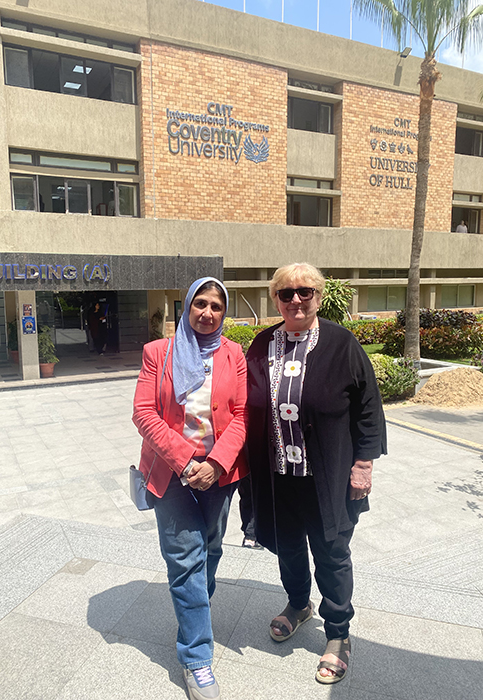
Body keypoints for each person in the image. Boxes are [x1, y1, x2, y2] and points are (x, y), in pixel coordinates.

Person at [246, 262, 386, 685]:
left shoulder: (342, 344)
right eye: (286, 293)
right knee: (288, 547)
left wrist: (363, 464)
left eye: (304, 292)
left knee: (331, 553)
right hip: (277, 475)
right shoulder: (262, 344)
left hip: (327, 476)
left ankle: (338, 633)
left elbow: (368, 406)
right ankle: (298, 605)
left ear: (318, 297)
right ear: (275, 299)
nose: (295, 300)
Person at [132, 277, 248, 700]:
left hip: (219, 473)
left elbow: (243, 415)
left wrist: (215, 464)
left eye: (216, 306)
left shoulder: (233, 354)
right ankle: (196, 656)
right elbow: (144, 412)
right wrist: (185, 461)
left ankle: (194, 608)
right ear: (186, 306)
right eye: (200, 303)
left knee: (211, 548)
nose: (207, 313)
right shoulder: (157, 353)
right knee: (185, 559)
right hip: (170, 473)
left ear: (224, 312)